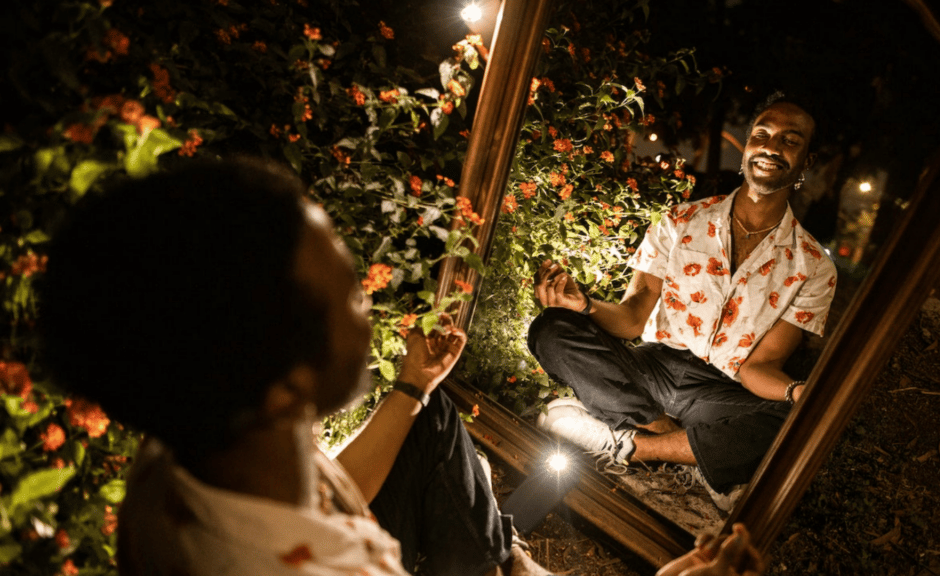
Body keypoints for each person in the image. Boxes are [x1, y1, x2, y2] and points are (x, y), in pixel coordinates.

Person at [39, 159, 551, 576]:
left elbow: (330, 489)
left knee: (429, 413)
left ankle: (499, 560)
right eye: (352, 297)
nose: (369, 311)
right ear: (286, 387)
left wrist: (415, 384)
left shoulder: (190, 443)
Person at [529, 91, 837, 509]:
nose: (771, 147)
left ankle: (629, 444)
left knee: (795, 421)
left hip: (721, 392)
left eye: (790, 140)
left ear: (807, 162)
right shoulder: (681, 220)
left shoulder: (815, 265)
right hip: (652, 367)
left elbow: (759, 368)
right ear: (747, 147)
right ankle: (693, 452)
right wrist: (585, 305)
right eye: (762, 134)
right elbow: (634, 318)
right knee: (551, 328)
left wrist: (800, 394)